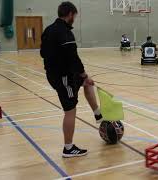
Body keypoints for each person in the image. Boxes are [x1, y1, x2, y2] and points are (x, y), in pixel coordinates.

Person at [40, 1, 103, 158]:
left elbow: (42, 53)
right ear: (70, 14)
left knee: (86, 84)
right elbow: (73, 57)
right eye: (74, 16)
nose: (74, 18)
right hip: (63, 77)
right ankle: (68, 148)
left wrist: (83, 77)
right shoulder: (64, 32)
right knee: (70, 110)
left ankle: (98, 114)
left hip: (60, 73)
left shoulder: (49, 30)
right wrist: (83, 73)